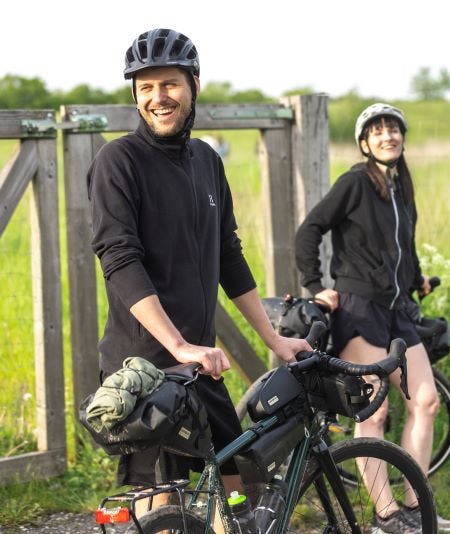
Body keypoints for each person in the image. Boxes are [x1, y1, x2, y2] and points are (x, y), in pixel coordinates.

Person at [88, 28, 309, 513]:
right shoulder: (118, 161)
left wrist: (274, 340)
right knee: (161, 501)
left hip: (198, 365)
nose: (157, 98)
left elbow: (228, 254)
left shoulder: (207, 161)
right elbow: (119, 259)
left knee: (240, 485)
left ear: (194, 85)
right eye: (145, 88)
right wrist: (179, 346)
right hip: (144, 367)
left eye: (168, 84)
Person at [295, 103, 450, 532]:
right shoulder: (355, 182)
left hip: (398, 308)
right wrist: (315, 286)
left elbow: (406, 242)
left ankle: (415, 507)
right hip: (359, 307)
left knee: (425, 401)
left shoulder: (401, 187)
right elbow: (310, 229)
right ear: (365, 143)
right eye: (378, 130)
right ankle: (385, 515)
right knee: (374, 413)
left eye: (394, 129)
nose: (388, 136)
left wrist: (416, 275)